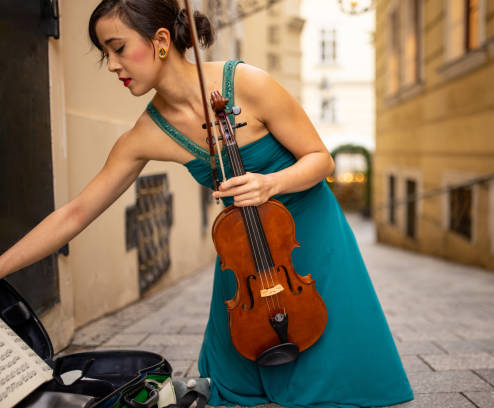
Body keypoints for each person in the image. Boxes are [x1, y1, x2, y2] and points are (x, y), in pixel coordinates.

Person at [0, 0, 414, 406]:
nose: (112, 65)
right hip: (245, 254)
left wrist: (271, 183)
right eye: (105, 53)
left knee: (336, 377)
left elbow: (320, 160)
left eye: (118, 47)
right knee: (234, 384)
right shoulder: (145, 135)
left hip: (309, 233)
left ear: (161, 40)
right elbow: (73, 214)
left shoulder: (247, 84)